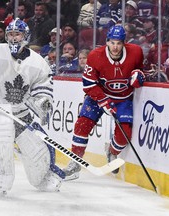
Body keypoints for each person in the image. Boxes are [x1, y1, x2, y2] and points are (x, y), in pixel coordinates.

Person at [0, 18, 65, 193]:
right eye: (11, 34)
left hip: (20, 112)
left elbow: (43, 87)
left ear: (26, 36)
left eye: (18, 34)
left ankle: (43, 176)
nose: (14, 38)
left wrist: (42, 101)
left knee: (39, 148)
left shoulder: (38, 62)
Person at [62, 25, 145, 181]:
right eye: (112, 42)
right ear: (107, 42)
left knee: (124, 134)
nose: (115, 47)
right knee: (82, 124)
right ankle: (75, 161)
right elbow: (88, 84)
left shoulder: (135, 52)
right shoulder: (95, 55)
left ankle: (112, 152)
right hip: (97, 97)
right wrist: (103, 100)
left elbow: (140, 70)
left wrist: (139, 76)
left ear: (124, 43)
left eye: (119, 43)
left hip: (123, 98)